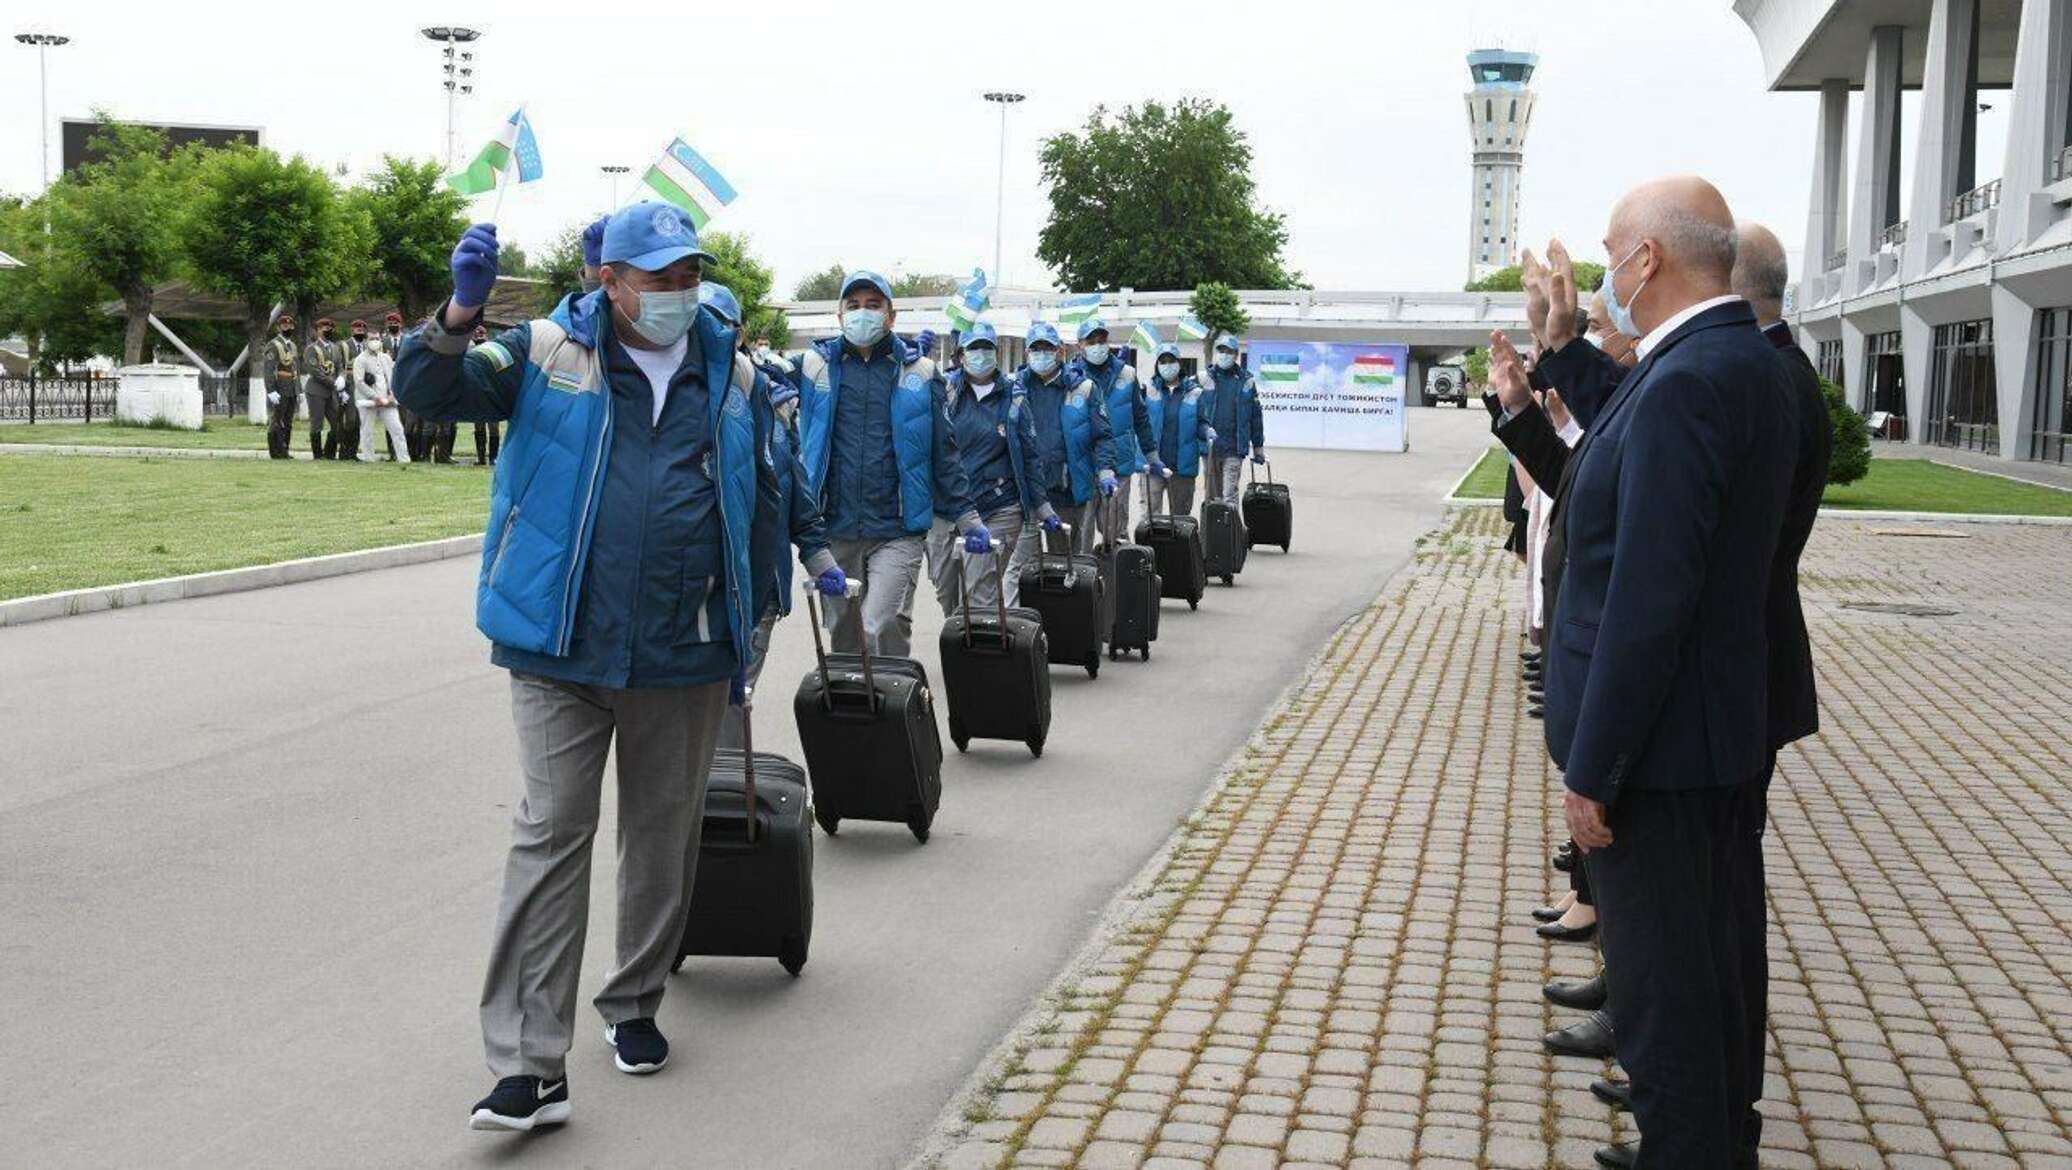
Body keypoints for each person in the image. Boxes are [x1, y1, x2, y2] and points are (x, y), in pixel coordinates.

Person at [393, 203, 843, 1134]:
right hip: (558, 645)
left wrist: (752, 627)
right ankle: (529, 1067)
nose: (678, 292)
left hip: (681, 650)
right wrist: (454, 318)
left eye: (690, 275)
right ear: (611, 279)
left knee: (660, 834)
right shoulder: (547, 353)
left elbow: (768, 490)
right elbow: (434, 396)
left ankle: (633, 1005)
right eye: (659, 277)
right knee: (550, 834)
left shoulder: (737, 376)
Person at [1526, 177, 1798, 1169]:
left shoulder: (1691, 378)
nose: (1603, 272)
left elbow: (1649, 597)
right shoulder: (1729, 361)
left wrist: (1592, 771)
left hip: (1662, 753)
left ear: (1646, 261)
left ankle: (1690, 1147)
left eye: (1609, 252)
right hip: (1705, 733)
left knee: (1667, 992)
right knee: (1712, 969)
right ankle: (1715, 1139)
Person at [794, 270, 988, 657]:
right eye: (853, 306)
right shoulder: (813, 369)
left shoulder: (920, 373)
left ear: (891, 316)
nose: (862, 314)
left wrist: (966, 515)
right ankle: (855, 714)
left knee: (880, 623)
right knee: (845, 636)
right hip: (835, 527)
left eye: (872, 305)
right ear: (839, 317)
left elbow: (943, 452)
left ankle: (897, 705)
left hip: (897, 529)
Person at [699, 281, 836, 751]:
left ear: (740, 334)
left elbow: (789, 488)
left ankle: (727, 798)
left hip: (757, 591)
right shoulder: (666, 399)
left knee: (731, 701)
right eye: (700, 319)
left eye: (722, 324)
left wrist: (818, 555)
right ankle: (707, 800)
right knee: (697, 708)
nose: (710, 332)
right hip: (691, 590)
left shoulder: (762, 398)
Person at [925, 320, 1053, 616]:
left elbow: (1030, 456)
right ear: (960, 355)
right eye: (974, 348)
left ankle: (978, 654)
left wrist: (1041, 505)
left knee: (980, 589)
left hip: (997, 507)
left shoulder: (1014, 397)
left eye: (987, 347)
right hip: (946, 508)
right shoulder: (944, 392)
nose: (981, 354)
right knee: (946, 590)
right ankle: (960, 639)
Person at [1016, 321, 1116, 555]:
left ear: (1060, 350)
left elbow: (1103, 435)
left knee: (1066, 562)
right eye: (1036, 349)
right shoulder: (1015, 389)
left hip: (1066, 489)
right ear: (1027, 353)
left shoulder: (1083, 388)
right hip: (1026, 490)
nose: (1042, 354)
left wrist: (1106, 470)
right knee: (1022, 566)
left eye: (1047, 348)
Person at [1068, 317, 1163, 545]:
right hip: (1083, 466)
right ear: (1080, 344)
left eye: (1101, 340)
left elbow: (1141, 418)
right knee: (1082, 534)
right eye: (1091, 341)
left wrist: (1151, 454)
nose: (1097, 345)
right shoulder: (1070, 376)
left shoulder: (1127, 374)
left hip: (1119, 463)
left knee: (1116, 531)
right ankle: (1086, 578)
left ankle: (1118, 577)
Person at [1142, 343, 1215, 514]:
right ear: (1157, 365)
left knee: (1181, 518)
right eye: (1163, 361)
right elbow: (1138, 422)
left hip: (1183, 466)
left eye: (1171, 361)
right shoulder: (1148, 389)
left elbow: (1201, 422)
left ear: (1179, 363)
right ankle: (1151, 543)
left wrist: (1207, 431)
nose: (1167, 365)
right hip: (1153, 464)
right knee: (1150, 518)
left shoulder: (1195, 392)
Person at [1199, 332, 1265, 505]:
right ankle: (1211, 531)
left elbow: (1256, 417)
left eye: (1229, 352)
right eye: (1221, 351)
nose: (1224, 355)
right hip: (1210, 449)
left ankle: (1231, 531)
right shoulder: (1204, 378)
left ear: (1236, 355)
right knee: (1212, 498)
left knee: (1229, 496)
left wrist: (1258, 447)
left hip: (1234, 448)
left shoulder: (1246, 381)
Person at [352, 334, 409, 462]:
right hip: (368, 400)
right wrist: (374, 396)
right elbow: (359, 382)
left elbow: (393, 379)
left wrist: (392, 395)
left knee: (397, 429)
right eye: (372, 339)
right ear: (367, 341)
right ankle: (368, 457)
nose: (375, 341)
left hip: (388, 400)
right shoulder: (360, 359)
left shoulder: (386, 358)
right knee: (367, 430)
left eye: (377, 339)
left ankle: (403, 458)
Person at [302, 318, 351, 460]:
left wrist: (342, 377)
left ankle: (329, 453)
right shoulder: (311, 349)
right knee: (317, 423)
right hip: (316, 391)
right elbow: (315, 371)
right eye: (325, 329)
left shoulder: (335, 348)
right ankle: (317, 455)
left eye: (330, 329)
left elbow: (340, 366)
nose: (328, 331)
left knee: (336, 423)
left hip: (332, 392)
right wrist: (334, 383)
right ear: (318, 330)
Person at [261, 314, 300, 460]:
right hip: (279, 387)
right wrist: (271, 390)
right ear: (279, 327)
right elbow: (269, 369)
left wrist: (299, 389)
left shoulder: (292, 345)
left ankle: (284, 449)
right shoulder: (274, 344)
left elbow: (296, 369)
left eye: (290, 326)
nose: (288, 328)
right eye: (284, 326)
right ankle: (275, 452)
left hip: (291, 388)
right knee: (277, 420)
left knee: (288, 421)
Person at [469, 325, 501, 465]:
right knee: (479, 426)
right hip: (476, 395)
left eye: (481, 335)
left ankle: (493, 458)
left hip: (492, 395)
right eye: (476, 335)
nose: (479, 337)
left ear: (486, 336)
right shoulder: (469, 353)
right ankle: (481, 457)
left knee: (493, 427)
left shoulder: (494, 351)